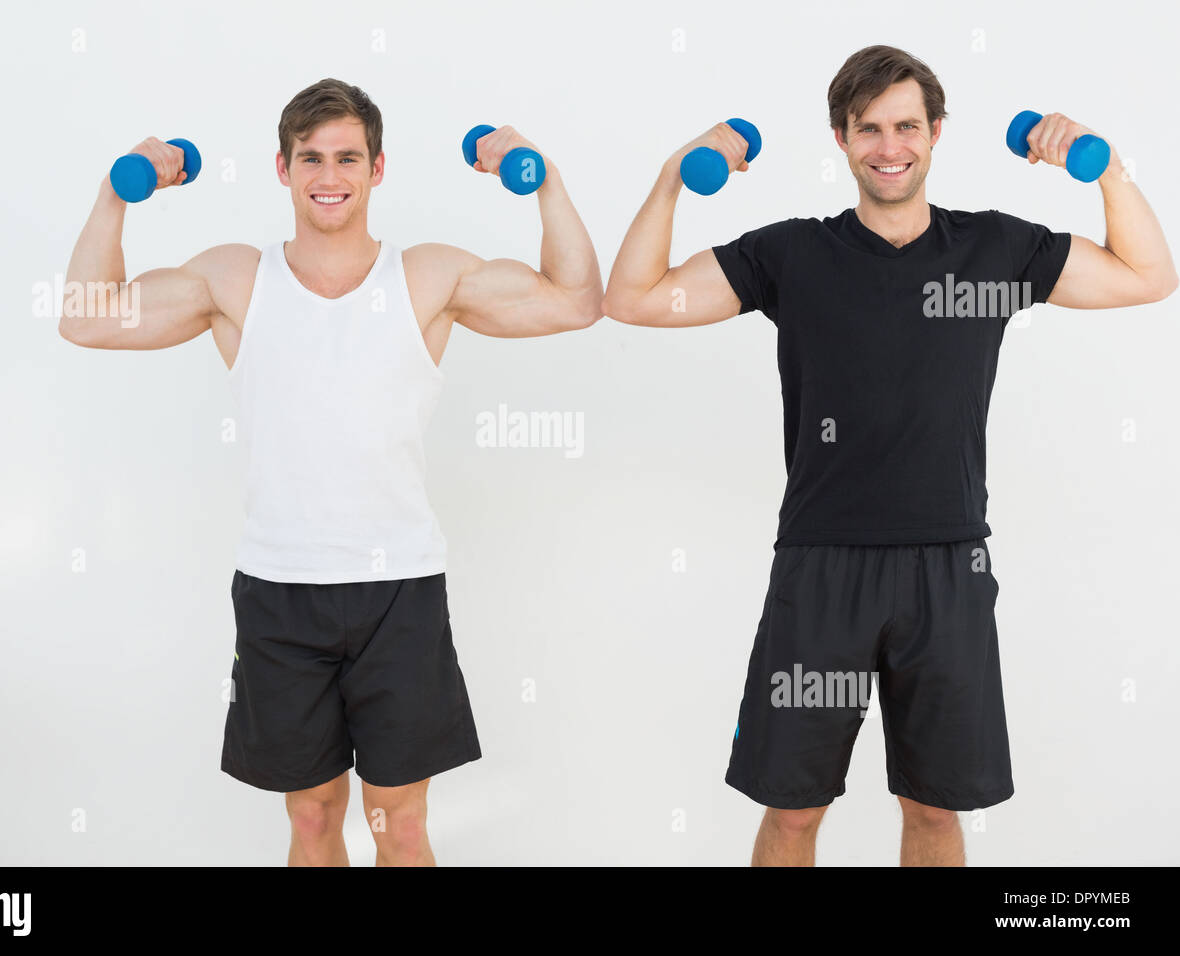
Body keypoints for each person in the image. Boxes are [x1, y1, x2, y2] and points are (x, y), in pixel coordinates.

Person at [602, 44, 1176, 866]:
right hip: (821, 566)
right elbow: (633, 298)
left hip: (948, 569)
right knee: (794, 814)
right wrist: (671, 179)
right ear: (842, 138)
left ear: (936, 133)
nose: (889, 146)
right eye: (868, 129)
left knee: (936, 814)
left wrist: (1105, 166)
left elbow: (1151, 276)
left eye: (906, 126)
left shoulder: (994, 253)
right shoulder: (791, 255)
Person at [60, 78, 602, 866]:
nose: (329, 174)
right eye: (310, 156)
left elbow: (576, 299)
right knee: (313, 818)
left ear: (377, 169)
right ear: (282, 168)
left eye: (348, 157)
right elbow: (84, 316)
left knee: (400, 823)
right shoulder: (235, 281)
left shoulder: (426, 278)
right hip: (281, 589)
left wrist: (538, 172)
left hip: (400, 591)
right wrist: (119, 188)